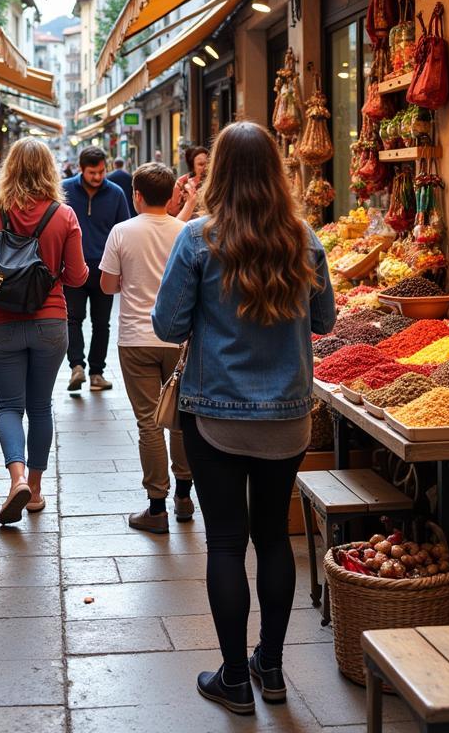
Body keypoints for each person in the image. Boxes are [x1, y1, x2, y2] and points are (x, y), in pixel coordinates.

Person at [152, 121, 335, 715]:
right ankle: (273, 670)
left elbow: (166, 326)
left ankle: (233, 679)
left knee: (227, 542)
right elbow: (326, 322)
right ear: (277, 174)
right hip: (288, 416)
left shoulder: (197, 239)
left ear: (217, 173)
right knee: (273, 540)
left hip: (216, 416)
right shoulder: (303, 238)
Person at [0, 138, 88, 523]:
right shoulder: (63, 216)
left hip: (1, 323)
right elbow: (77, 276)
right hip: (50, 322)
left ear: (9, 168)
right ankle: (34, 491)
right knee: (40, 408)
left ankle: (15, 478)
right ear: (50, 170)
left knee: (9, 407)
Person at [99, 163, 192, 533]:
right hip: (179, 338)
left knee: (149, 422)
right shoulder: (186, 231)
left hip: (136, 338)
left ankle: (157, 507)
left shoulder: (121, 232)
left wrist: (129, 282)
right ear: (172, 196)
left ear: (136, 195)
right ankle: (184, 497)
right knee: (182, 419)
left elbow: (107, 286)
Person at [62, 146, 130, 393]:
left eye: (102, 171)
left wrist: (122, 268)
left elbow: (124, 231)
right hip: (73, 268)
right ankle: (76, 367)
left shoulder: (116, 193)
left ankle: (97, 373)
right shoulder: (65, 190)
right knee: (73, 319)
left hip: (105, 270)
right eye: (92, 172)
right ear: (81, 169)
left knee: (102, 323)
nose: (98, 177)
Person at [169, 145, 209, 220]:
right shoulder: (182, 182)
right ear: (193, 166)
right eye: (201, 164)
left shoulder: (217, 181)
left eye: (208, 163)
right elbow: (173, 211)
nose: (205, 167)